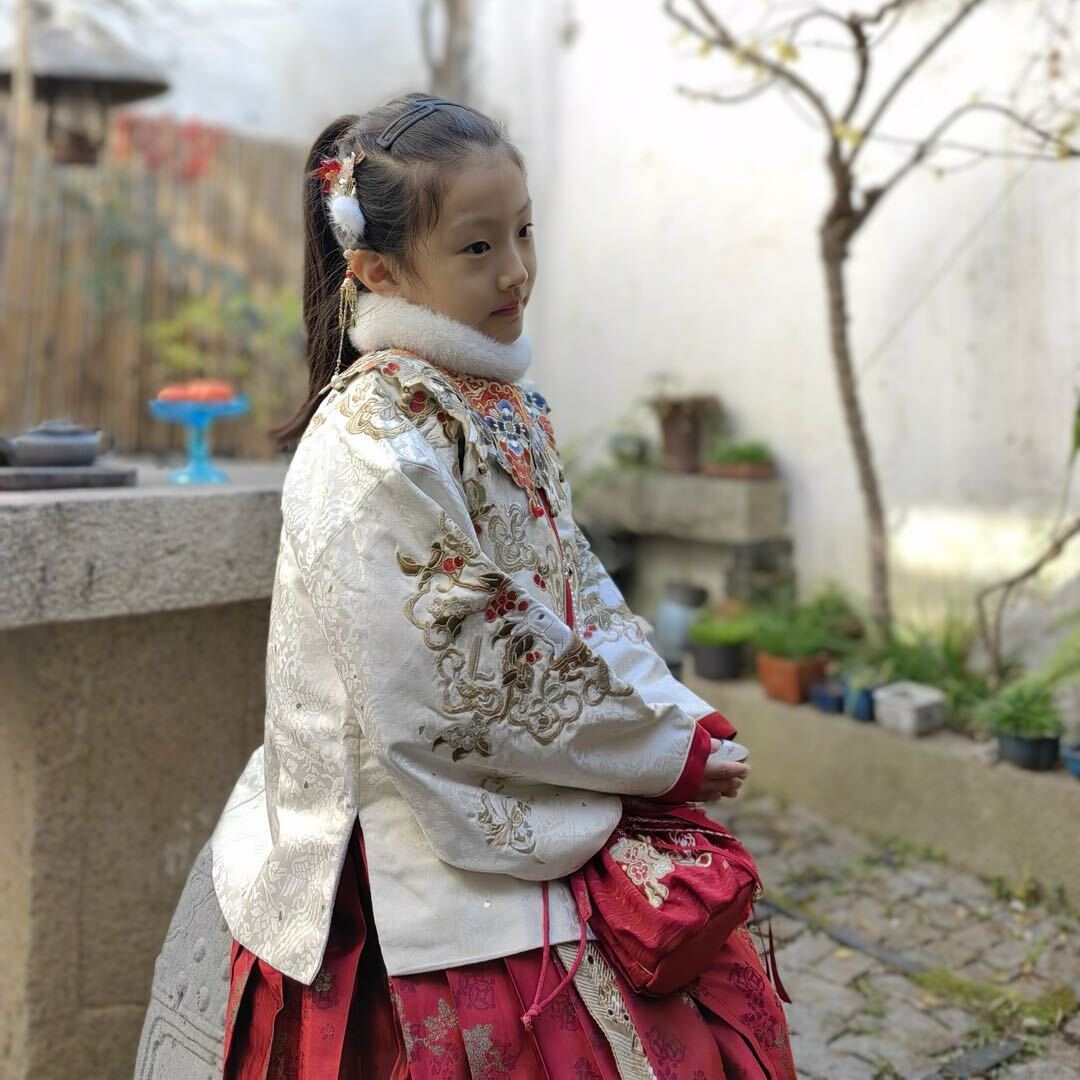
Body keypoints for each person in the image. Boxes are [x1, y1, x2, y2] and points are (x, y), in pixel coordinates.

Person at [210, 92, 796, 1079]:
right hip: (405, 850)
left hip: (519, 778)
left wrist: (671, 714)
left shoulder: (496, 403)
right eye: (477, 247)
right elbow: (461, 655)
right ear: (376, 270)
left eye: (523, 232)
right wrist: (656, 751)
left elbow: (573, 581)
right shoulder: (368, 438)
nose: (516, 269)